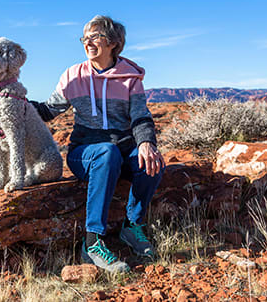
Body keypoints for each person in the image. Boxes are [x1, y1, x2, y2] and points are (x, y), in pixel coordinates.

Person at [31, 15, 166, 273]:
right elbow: (49, 110)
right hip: (85, 152)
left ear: (113, 42)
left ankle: (132, 227)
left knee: (153, 162)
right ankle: (92, 243)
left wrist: (147, 143)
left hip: (123, 149)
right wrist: (14, 101)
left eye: (95, 36)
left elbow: (140, 116)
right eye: (85, 37)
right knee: (107, 152)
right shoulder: (73, 75)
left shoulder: (130, 76)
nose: (88, 42)